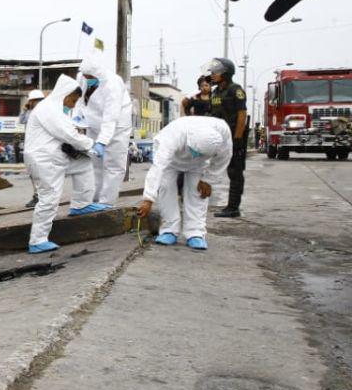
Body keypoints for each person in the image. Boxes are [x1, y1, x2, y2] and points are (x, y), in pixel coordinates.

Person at [24, 75, 104, 254]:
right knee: (49, 198)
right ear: (65, 94)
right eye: (73, 100)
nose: (73, 105)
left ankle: (81, 204)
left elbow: (70, 132)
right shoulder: (48, 109)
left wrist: (86, 147)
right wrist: (92, 145)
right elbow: (68, 134)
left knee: (83, 163)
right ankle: (37, 240)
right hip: (44, 161)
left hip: (55, 158)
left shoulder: (56, 110)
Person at [136, 116, 233, 250]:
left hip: (199, 164)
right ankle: (169, 229)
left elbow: (224, 158)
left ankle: (196, 232)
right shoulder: (173, 137)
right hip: (171, 161)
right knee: (166, 186)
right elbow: (158, 168)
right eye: (196, 152)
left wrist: (208, 180)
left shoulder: (222, 132)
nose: (195, 155)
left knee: (197, 192)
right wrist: (148, 198)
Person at [77, 51, 132, 207]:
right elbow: (78, 100)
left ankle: (106, 202)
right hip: (93, 124)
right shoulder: (83, 76)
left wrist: (102, 142)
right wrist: (77, 117)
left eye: (89, 76)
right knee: (94, 164)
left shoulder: (113, 84)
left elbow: (110, 117)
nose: (86, 78)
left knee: (113, 166)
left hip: (117, 127)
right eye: (85, 75)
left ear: (98, 73)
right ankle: (93, 199)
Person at [206, 57, 248, 218]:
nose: (212, 74)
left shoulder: (235, 90)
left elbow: (242, 115)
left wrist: (237, 139)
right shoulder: (215, 92)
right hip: (219, 138)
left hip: (234, 137)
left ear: (226, 73)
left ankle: (233, 207)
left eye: (216, 72)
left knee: (235, 172)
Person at [19, 89, 44, 208]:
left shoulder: (43, 112)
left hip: (39, 145)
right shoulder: (29, 112)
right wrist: (24, 110)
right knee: (33, 173)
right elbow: (21, 121)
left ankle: (40, 196)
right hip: (31, 144)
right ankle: (37, 195)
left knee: (39, 172)